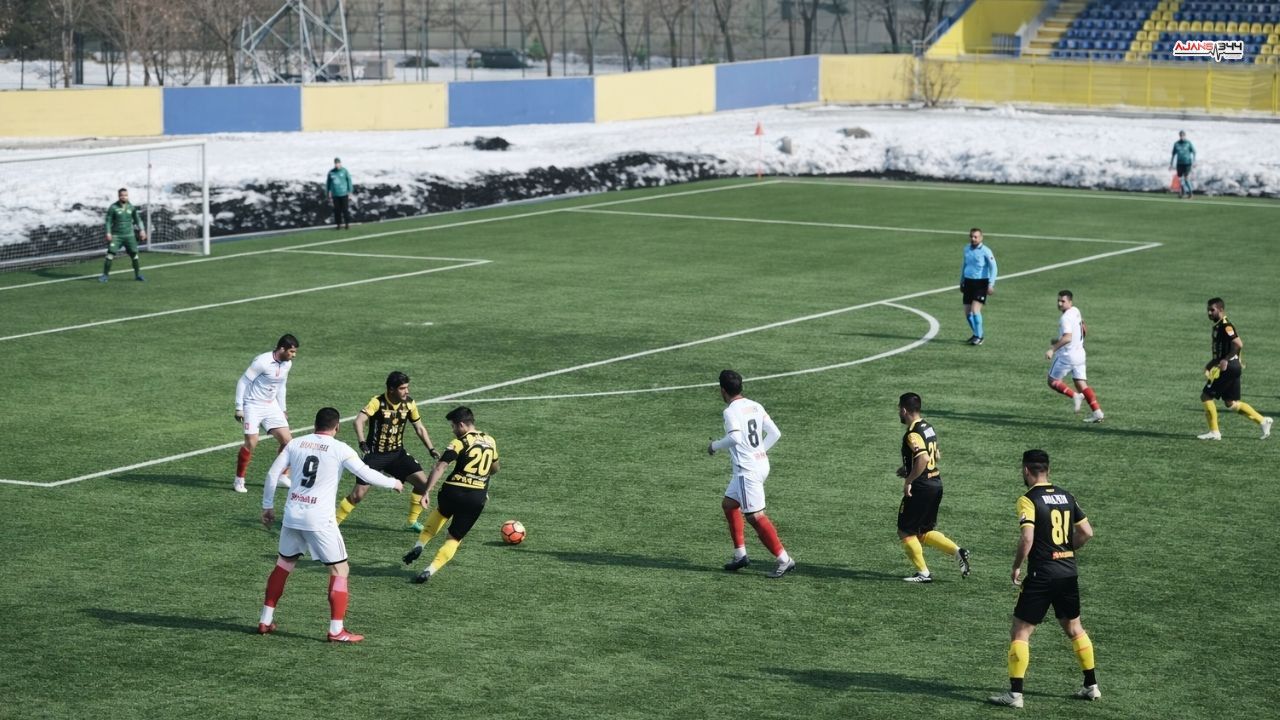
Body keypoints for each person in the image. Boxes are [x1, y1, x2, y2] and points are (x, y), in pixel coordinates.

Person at [258, 407, 403, 643]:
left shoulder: (295, 443)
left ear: (315, 424)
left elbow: (273, 474)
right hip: (319, 520)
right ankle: (336, 630)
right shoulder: (340, 448)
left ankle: (265, 620)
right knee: (340, 569)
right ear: (337, 427)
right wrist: (393, 483)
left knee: (283, 565)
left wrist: (267, 506)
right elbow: (366, 473)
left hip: (293, 515)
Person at [989, 449, 1099, 708]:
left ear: (1026, 470)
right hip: (1068, 572)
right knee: (1075, 628)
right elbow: (1086, 532)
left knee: (1020, 630)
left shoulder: (1028, 499)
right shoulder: (1067, 496)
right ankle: (1091, 686)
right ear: (1048, 470)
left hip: (1042, 574)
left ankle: (1015, 694)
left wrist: (1016, 566)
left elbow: (1027, 537)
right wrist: (1066, 549)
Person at [709, 369, 796, 579]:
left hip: (747, 471)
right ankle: (740, 555)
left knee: (755, 517)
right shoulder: (756, 405)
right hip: (760, 464)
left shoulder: (730, 411)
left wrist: (714, 446)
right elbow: (775, 433)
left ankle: (784, 560)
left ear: (722, 390)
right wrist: (759, 451)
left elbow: (735, 438)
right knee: (729, 504)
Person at [401, 406, 499, 584]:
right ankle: (430, 570)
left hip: (452, 491)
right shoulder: (490, 440)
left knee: (441, 513)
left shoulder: (460, 442)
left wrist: (426, 491)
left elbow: (441, 466)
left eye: (453, 426)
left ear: (461, 424)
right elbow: (494, 468)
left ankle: (419, 545)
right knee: (454, 538)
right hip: (476, 497)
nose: (453, 430)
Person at [335, 371, 440, 530]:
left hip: (397, 454)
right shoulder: (377, 402)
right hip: (375, 456)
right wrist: (362, 442)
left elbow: (419, 428)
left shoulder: (409, 403)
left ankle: (412, 521)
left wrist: (431, 448)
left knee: (424, 485)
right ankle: (333, 523)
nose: (407, 391)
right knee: (357, 495)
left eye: (407, 387)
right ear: (391, 389)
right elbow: (359, 421)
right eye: (402, 388)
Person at [895, 392, 970, 583]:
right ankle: (957, 551)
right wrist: (909, 468)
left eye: (899, 409)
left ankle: (924, 573)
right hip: (935, 483)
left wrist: (909, 479)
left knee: (905, 531)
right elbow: (936, 455)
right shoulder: (928, 427)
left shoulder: (912, 433)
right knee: (922, 532)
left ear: (904, 410)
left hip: (921, 487)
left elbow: (924, 457)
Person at [1199, 297, 1272, 440]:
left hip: (1229, 367)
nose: (1209, 313)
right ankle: (1263, 421)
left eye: (1212, 310)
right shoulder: (1219, 326)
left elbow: (1238, 344)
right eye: (1208, 310)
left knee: (1206, 396)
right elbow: (1222, 350)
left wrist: (1226, 360)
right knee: (1231, 403)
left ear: (1221, 310)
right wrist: (1210, 364)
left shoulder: (1226, 326)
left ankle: (1214, 432)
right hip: (1233, 367)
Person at [234, 334, 300, 493]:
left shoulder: (287, 364)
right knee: (252, 442)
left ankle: (282, 476)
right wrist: (239, 407)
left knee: (288, 442)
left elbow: (282, 386)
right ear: (282, 349)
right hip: (253, 404)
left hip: (271, 405)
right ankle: (239, 480)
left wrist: (283, 409)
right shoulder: (262, 362)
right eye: (291, 351)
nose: (294, 355)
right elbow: (243, 382)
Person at [1045, 291, 1104, 423]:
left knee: (1052, 380)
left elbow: (1067, 337)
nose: (1060, 303)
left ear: (1070, 302)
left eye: (1063, 301)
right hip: (1080, 354)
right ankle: (1098, 413)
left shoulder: (1065, 318)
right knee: (1082, 384)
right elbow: (1083, 328)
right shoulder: (1076, 311)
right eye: (1058, 301)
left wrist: (1052, 349)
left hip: (1067, 356)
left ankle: (1075, 396)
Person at [99, 188, 146, 282]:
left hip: (129, 235)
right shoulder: (113, 207)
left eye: (125, 195)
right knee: (110, 254)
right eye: (122, 195)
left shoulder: (131, 207)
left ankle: (138, 275)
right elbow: (108, 221)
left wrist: (142, 230)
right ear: (119, 196)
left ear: (127, 196)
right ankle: (105, 275)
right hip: (117, 236)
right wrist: (108, 232)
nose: (124, 197)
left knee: (134, 255)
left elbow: (138, 220)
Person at [960, 228, 997, 345]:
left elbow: (994, 267)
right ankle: (976, 334)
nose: (973, 239)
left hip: (981, 283)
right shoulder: (966, 249)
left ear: (981, 238)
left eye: (975, 237)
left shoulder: (986, 251)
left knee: (975, 310)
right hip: (968, 282)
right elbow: (964, 265)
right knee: (967, 313)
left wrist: (991, 284)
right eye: (971, 236)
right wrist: (961, 281)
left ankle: (979, 337)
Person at [326, 157, 353, 230]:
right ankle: (338, 224)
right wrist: (328, 192)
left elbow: (349, 181)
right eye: (336, 163)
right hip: (335, 194)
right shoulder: (331, 172)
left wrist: (350, 191)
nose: (337, 165)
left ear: (340, 163)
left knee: (345, 209)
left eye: (338, 163)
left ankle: (347, 224)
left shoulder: (344, 171)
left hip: (344, 193)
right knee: (337, 210)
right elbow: (328, 183)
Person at [1170, 130, 1195, 199]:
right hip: (1179, 164)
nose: (1182, 137)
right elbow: (1173, 154)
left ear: (1185, 136)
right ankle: (1183, 192)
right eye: (1181, 135)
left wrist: (1194, 161)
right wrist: (1171, 164)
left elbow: (1194, 152)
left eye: (1183, 135)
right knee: (1180, 179)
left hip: (1187, 163)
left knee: (1186, 178)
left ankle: (1190, 193)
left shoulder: (1188, 143)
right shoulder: (1176, 144)